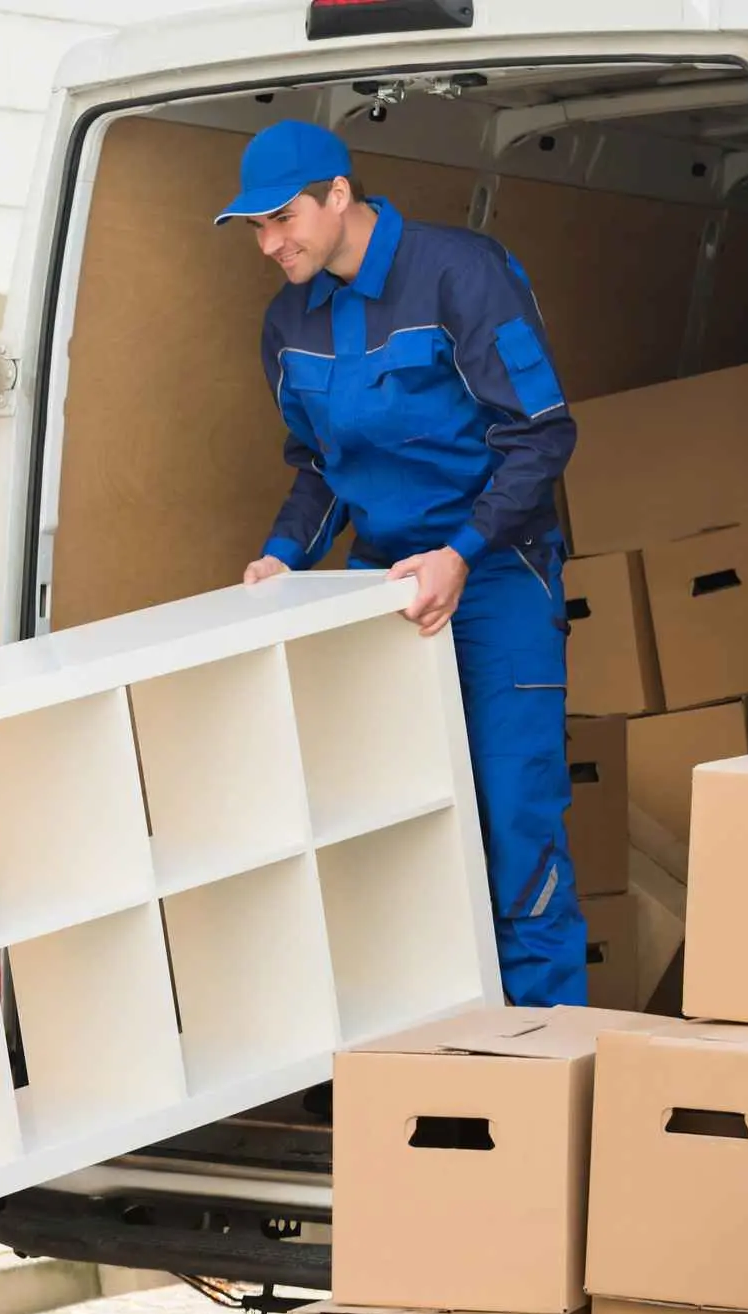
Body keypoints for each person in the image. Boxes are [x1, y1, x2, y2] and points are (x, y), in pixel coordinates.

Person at [219, 120, 586, 1007]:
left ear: (338, 196)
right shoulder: (285, 322)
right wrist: (280, 559)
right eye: (256, 229)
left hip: (494, 577)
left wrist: (461, 553)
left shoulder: (459, 275)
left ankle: (541, 1061)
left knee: (513, 820)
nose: (269, 245)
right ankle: (426, 1060)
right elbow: (318, 468)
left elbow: (542, 435)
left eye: (281, 220)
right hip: (377, 591)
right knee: (397, 834)